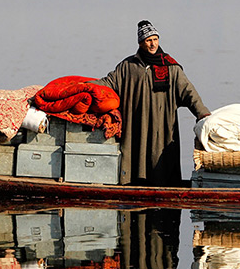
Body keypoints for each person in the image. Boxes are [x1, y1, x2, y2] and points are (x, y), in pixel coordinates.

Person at [90, 20, 211, 186]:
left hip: (162, 126)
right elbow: (109, 82)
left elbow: (188, 92)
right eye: (148, 40)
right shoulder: (128, 66)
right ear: (141, 43)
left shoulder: (170, 66)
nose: (153, 43)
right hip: (135, 126)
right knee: (135, 156)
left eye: (155, 39)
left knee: (161, 160)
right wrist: (84, 86)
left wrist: (202, 114)